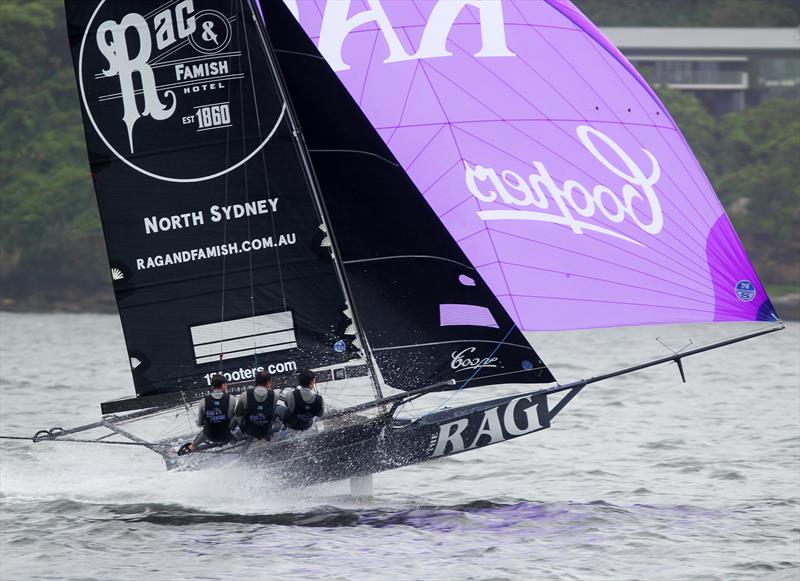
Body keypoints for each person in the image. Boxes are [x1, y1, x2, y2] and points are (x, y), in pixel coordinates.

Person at [178, 374, 236, 454]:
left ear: (212, 386)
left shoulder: (203, 401)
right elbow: (232, 419)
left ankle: (191, 447)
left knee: (206, 429)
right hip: (225, 435)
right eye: (226, 384)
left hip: (209, 435)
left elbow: (199, 423)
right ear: (223, 385)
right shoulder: (231, 398)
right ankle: (234, 440)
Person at [235, 370, 277, 440]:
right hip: (266, 430)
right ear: (269, 382)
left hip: (250, 431)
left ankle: (230, 434)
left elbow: (238, 414)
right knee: (276, 408)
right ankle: (267, 433)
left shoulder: (244, 395)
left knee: (235, 415)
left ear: (256, 382)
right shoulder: (275, 394)